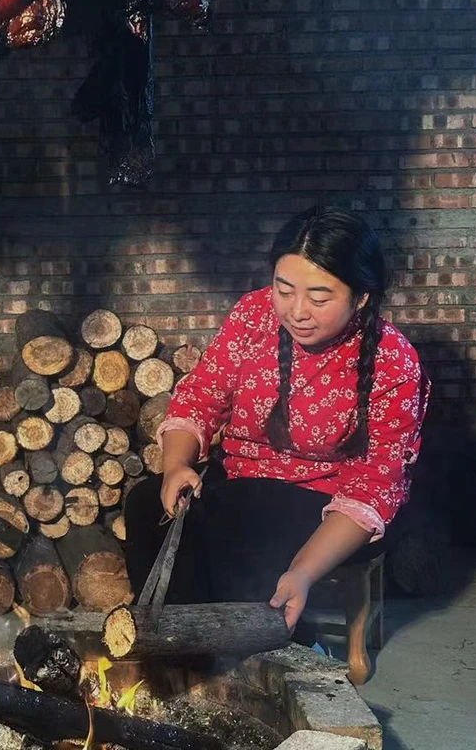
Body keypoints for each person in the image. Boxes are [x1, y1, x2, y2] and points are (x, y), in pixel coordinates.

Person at [124, 205, 431, 633]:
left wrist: (304, 571)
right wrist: (176, 465)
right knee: (145, 505)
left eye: (319, 298)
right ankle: (178, 654)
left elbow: (373, 488)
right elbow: (200, 398)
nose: (296, 311)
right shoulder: (253, 317)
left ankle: (235, 656)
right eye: (283, 290)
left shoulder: (393, 363)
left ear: (361, 297)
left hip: (331, 511)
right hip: (237, 487)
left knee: (233, 528)